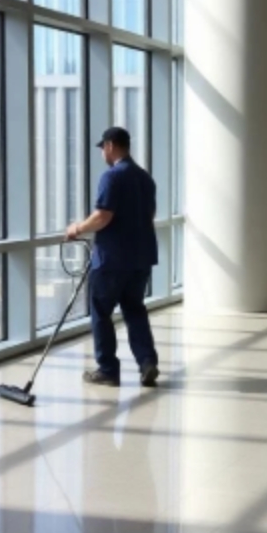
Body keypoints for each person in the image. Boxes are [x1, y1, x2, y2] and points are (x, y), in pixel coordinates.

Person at [66, 126, 160, 387]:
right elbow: (149, 216)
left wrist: (77, 229)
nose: (102, 153)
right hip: (141, 258)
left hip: (113, 259)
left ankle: (108, 370)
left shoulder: (112, 177)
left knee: (101, 312)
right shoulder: (145, 178)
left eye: (102, 148)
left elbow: (103, 216)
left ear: (109, 145)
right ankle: (147, 362)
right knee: (135, 310)